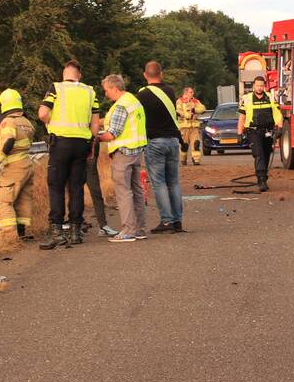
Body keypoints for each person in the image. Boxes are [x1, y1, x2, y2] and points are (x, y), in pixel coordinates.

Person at [37, 60, 100, 250]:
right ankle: (75, 231)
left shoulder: (56, 88)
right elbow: (95, 124)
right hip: (82, 144)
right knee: (76, 187)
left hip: (61, 143)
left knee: (56, 185)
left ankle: (56, 230)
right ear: (79, 75)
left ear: (64, 73)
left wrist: (50, 124)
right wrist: (91, 141)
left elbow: (42, 113)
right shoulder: (90, 91)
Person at [97, 74, 148, 242]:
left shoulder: (121, 105)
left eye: (106, 90)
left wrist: (95, 136)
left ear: (114, 88)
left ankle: (128, 230)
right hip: (136, 151)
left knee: (123, 191)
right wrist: (100, 121)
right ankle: (139, 228)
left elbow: (112, 134)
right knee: (136, 190)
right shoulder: (133, 101)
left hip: (123, 152)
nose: (106, 94)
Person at [137, 61, 185, 233]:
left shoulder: (142, 94)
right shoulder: (170, 91)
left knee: (159, 183)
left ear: (145, 75)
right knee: (174, 182)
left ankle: (166, 221)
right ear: (161, 74)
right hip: (172, 141)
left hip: (155, 142)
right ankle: (178, 220)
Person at [0, 89, 36, 241]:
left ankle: (9, 235)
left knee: (5, 200)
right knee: (23, 198)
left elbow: (9, 141)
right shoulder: (26, 122)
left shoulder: (8, 121)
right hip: (27, 164)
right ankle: (22, 231)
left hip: (13, 165)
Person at [237, 76, 283, 192]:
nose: (259, 87)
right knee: (259, 154)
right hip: (253, 131)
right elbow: (242, 118)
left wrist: (280, 128)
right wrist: (239, 133)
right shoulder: (247, 99)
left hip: (267, 131)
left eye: (262, 85)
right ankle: (261, 179)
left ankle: (263, 177)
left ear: (264, 86)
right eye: (257, 85)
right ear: (254, 86)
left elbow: (278, 114)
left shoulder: (271, 97)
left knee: (266, 154)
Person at [176, 87, 206, 167]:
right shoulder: (180, 101)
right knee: (184, 145)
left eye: (192, 92)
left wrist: (194, 110)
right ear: (186, 93)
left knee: (196, 144)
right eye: (191, 92)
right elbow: (178, 111)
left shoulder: (195, 101)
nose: (192, 93)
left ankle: (196, 160)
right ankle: (183, 160)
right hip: (184, 127)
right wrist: (187, 115)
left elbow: (202, 108)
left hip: (194, 127)